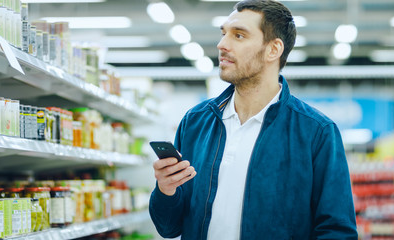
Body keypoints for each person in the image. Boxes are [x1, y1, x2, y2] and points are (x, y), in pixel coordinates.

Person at [149, 0, 358, 239]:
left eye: (238, 36)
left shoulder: (316, 132)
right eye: (224, 33)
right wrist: (166, 191)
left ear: (273, 50)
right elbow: (169, 228)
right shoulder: (196, 123)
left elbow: (337, 231)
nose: (222, 44)